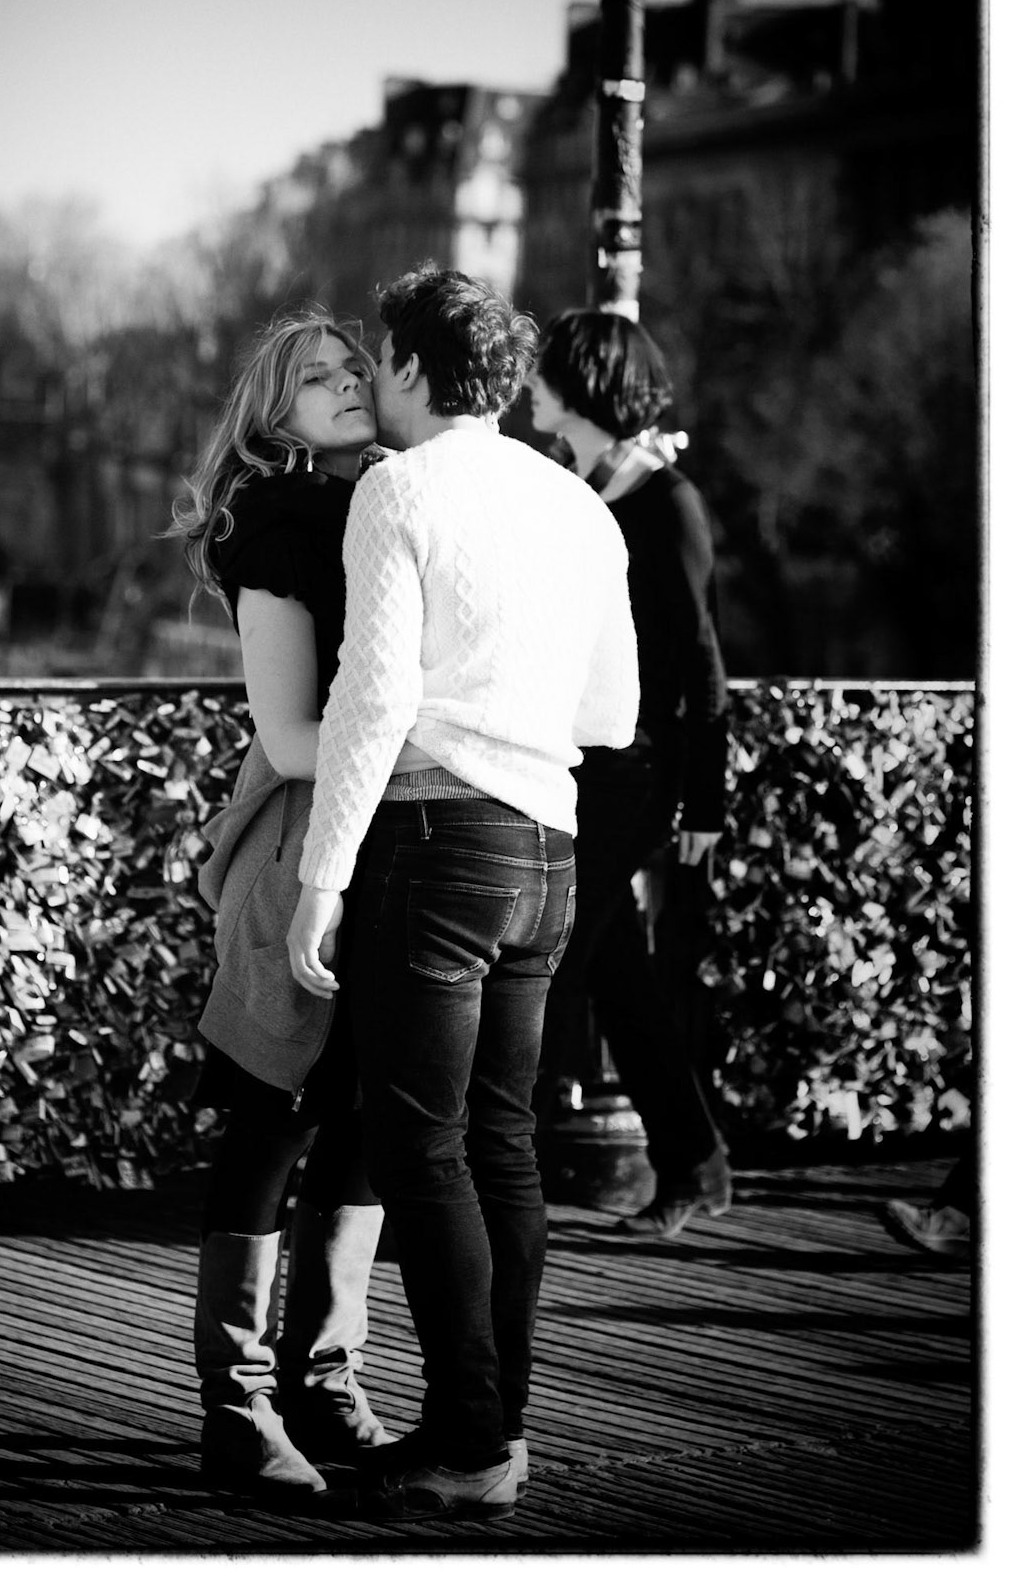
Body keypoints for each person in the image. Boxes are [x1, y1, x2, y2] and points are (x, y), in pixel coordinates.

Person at [287, 265, 639, 1522]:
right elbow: (613, 712)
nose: (373, 377)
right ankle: (499, 1426)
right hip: (550, 847)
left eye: (382, 356)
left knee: (422, 1146)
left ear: (420, 368)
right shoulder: (581, 507)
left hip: (435, 842)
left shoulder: (398, 489)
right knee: (504, 1145)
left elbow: (371, 698)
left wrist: (321, 877)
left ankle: (470, 1439)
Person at [173, 308, 399, 1502]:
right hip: (303, 847)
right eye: (317, 378)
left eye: (356, 369)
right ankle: (238, 1400)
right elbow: (290, 735)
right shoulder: (278, 528)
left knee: (361, 1119)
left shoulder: (397, 503)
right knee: (275, 1119)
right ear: (276, 414)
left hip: (397, 850)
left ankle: (327, 1372)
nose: (347, 385)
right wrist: (422, 739)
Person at [525, 309, 732, 1240]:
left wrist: (706, 797)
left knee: (554, 956)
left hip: (639, 773)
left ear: (582, 385)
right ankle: (694, 1163)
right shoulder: (581, 486)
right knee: (616, 974)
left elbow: (699, 658)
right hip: (583, 761)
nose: (528, 391)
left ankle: (499, 1173)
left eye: (542, 377)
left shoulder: (665, 500)